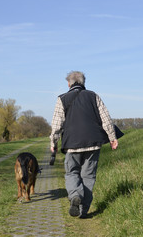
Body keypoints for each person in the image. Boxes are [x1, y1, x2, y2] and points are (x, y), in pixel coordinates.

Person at [49, 71, 118, 218]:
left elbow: (56, 125)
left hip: (72, 143)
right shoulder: (94, 96)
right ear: (83, 82)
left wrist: (53, 142)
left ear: (69, 83)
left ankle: (75, 195)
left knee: (72, 172)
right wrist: (112, 138)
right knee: (88, 176)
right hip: (93, 142)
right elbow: (106, 119)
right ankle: (83, 211)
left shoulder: (62, 99)